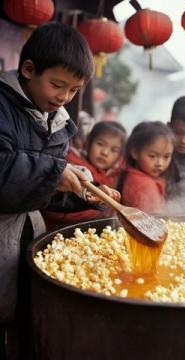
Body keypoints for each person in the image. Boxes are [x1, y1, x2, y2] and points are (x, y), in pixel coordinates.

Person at [0, 22, 117, 359]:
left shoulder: (60, 121)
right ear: (28, 70)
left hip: (28, 234)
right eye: (57, 85)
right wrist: (54, 173)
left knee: (25, 316)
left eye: (74, 90)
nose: (63, 97)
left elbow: (45, 191)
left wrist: (82, 193)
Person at [42, 121, 127, 230]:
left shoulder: (115, 175)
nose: (105, 152)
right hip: (61, 228)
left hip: (94, 228)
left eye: (114, 150)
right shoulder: (73, 165)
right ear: (88, 142)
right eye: (100, 144)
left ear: (120, 156)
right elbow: (55, 206)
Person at [118, 121, 174, 213]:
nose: (160, 163)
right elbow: (153, 219)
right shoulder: (145, 185)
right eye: (152, 156)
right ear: (135, 152)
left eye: (166, 156)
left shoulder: (131, 174)